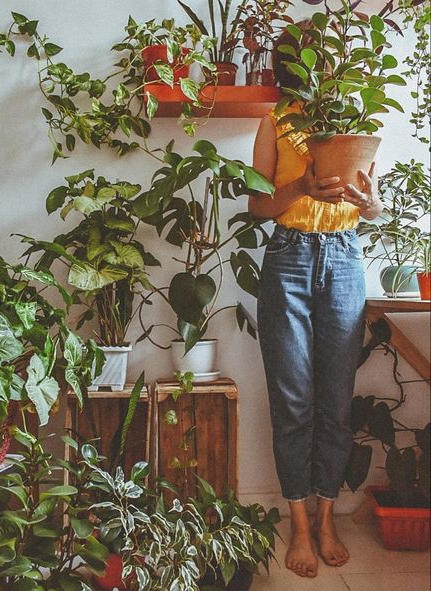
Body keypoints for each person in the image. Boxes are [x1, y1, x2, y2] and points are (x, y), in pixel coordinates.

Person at [249, 25, 383, 578]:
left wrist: (371, 204)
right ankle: (299, 524)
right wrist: (300, 189)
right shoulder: (276, 121)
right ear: (291, 66)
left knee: (336, 398)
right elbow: (258, 204)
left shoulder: (355, 125)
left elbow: (370, 210)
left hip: (347, 260)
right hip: (289, 260)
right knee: (293, 401)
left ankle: (328, 515)